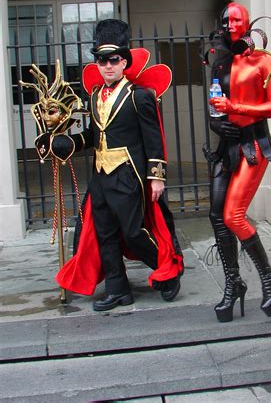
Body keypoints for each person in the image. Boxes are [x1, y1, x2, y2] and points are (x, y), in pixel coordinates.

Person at [55, 19, 183, 311]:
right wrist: (69, 144)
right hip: (100, 176)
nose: (108, 65)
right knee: (105, 233)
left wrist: (157, 178)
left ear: (124, 62)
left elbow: (154, 140)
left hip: (128, 175)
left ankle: (168, 268)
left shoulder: (139, 97)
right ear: (97, 64)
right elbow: (92, 135)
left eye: (114, 60)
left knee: (133, 232)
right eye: (102, 60)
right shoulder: (93, 97)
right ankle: (118, 289)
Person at [205, 2, 271, 322]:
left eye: (235, 19)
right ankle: (233, 283)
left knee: (233, 216)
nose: (229, 24)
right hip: (226, 147)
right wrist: (217, 121)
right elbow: (215, 105)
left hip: (253, 145)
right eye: (225, 20)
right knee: (216, 217)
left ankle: (268, 276)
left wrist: (237, 106)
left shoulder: (265, 61)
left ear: (248, 22)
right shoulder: (221, 63)